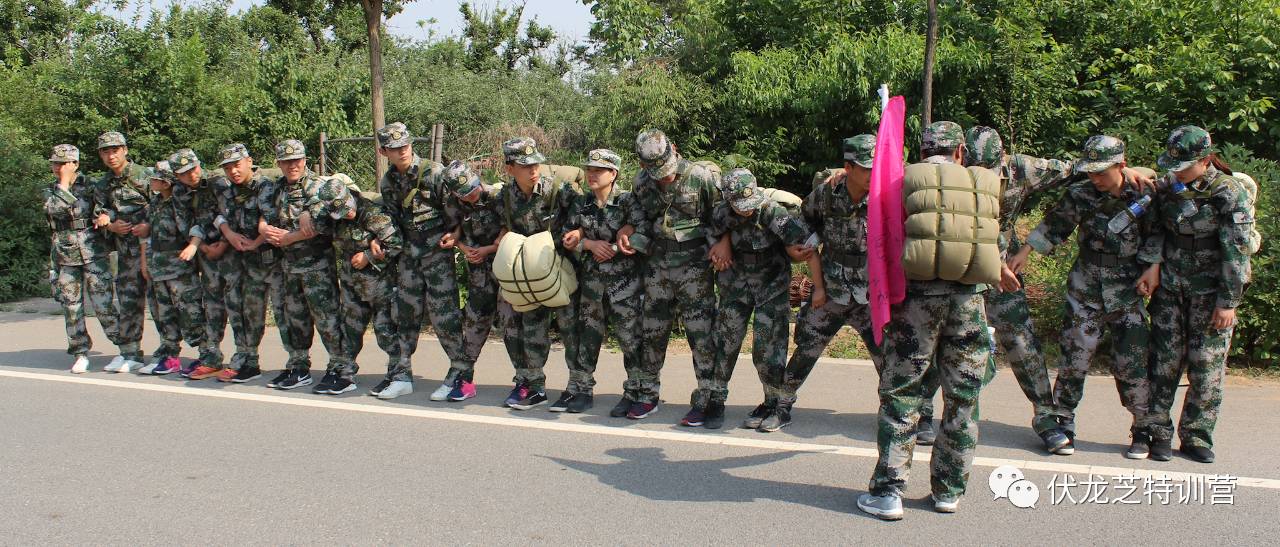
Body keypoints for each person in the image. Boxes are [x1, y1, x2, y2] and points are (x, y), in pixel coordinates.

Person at [858, 121, 994, 520]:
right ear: (960, 152)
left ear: (921, 152)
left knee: (903, 395)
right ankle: (948, 491)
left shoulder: (901, 182)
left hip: (917, 304)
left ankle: (888, 493)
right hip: (969, 302)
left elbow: (883, 234)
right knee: (963, 399)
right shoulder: (981, 183)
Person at [1019, 135, 1161, 459]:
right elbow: (1055, 226)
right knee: (1074, 358)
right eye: (1090, 171)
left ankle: (1142, 428)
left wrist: (1152, 267)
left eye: (1101, 171)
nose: (1095, 178)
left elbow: (1159, 233)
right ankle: (1063, 423)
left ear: (1121, 165)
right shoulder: (1081, 193)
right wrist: (1026, 251)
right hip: (1085, 286)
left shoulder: (1145, 193)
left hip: (1127, 288)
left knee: (1132, 362)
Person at [1147, 125, 1253, 464]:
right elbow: (1155, 229)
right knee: (1164, 363)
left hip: (1210, 293)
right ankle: (1157, 434)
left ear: (1206, 160)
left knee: (1206, 368)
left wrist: (1228, 302)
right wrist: (1152, 264)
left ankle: (1196, 436)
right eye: (1173, 164)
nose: (1176, 171)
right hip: (1171, 287)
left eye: (1184, 165)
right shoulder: (1168, 188)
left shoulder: (1227, 192)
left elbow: (1237, 250)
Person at [622, 129, 729, 424]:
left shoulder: (700, 176)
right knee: (652, 331)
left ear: (675, 149)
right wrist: (629, 229)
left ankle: (707, 398)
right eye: (655, 172)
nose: (663, 177)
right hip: (657, 265)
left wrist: (724, 241)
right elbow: (639, 215)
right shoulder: (642, 183)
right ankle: (647, 394)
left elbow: (723, 214)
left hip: (695, 267)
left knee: (701, 334)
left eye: (666, 170)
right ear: (643, 165)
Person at [780, 135, 884, 429]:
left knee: (889, 357)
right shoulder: (827, 193)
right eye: (867, 168)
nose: (874, 175)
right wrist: (797, 247)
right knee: (807, 346)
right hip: (831, 288)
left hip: (870, 291)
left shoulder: (886, 194)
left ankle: (903, 413)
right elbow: (802, 222)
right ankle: (781, 403)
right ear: (848, 167)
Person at [710, 168, 810, 431]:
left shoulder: (772, 211)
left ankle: (773, 403)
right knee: (726, 342)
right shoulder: (721, 212)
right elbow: (713, 234)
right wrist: (722, 242)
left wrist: (798, 253)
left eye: (749, 204)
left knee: (768, 349)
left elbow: (797, 243)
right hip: (735, 284)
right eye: (739, 206)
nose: (746, 210)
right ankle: (715, 398)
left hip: (771, 286)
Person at [374, 123, 469, 400]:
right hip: (407, 258)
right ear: (383, 151)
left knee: (445, 316)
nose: (401, 151)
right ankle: (402, 375)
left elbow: (461, 210)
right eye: (394, 148)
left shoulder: (434, 173)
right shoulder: (389, 182)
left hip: (437, 256)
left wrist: (457, 234)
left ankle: (458, 372)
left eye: (404, 145)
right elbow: (390, 218)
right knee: (405, 315)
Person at [494, 137, 583, 411]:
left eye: (535, 163)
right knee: (532, 329)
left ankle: (577, 388)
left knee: (571, 330)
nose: (533, 169)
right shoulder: (506, 197)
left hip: (562, 269)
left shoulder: (559, 190)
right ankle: (535, 387)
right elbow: (503, 227)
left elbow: (584, 218)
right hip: (529, 276)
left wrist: (577, 233)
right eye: (524, 165)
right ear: (510, 168)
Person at [257, 139, 350, 392]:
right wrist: (265, 229)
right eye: (286, 162)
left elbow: (320, 224)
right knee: (295, 318)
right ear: (279, 164)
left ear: (305, 160)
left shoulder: (319, 186)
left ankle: (340, 367)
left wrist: (289, 237)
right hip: (289, 265)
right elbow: (265, 216)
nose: (292, 165)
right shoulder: (276, 189)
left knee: (327, 318)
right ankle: (299, 366)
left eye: (297, 160)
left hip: (316, 266)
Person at [566, 149, 651, 416]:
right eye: (589, 169)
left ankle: (634, 392)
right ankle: (582, 389)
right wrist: (588, 243)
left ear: (613, 174)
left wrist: (616, 246)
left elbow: (646, 233)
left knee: (630, 339)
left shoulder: (628, 202)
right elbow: (565, 238)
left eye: (598, 170)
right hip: (592, 284)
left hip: (624, 284)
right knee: (587, 338)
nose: (592, 174)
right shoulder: (582, 204)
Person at [210, 143, 291, 383]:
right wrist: (229, 233)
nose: (233, 171)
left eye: (236, 165)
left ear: (248, 161)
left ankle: (296, 363)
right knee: (248, 314)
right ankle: (249, 360)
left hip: (272, 261)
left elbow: (271, 218)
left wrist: (257, 241)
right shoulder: (227, 190)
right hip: (246, 264)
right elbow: (219, 215)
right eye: (227, 168)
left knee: (283, 313)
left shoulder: (265, 186)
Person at [43, 144, 124, 373]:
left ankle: (125, 349)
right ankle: (80, 352)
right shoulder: (52, 190)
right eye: (55, 163)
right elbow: (53, 211)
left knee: (103, 304)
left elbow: (110, 207)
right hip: (64, 255)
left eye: (64, 164)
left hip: (94, 253)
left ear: (76, 164)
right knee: (71, 307)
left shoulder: (93, 186)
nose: (58, 168)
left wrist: (107, 216)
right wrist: (65, 183)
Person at [434, 161, 503, 402]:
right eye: (465, 193)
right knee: (474, 324)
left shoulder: (497, 196)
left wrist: (489, 248)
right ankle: (464, 380)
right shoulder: (455, 203)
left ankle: (527, 382)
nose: (472, 195)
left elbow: (511, 228)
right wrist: (463, 247)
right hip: (477, 271)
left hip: (505, 269)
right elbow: (455, 231)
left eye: (473, 189)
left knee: (515, 326)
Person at [137, 162, 214, 375]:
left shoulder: (181, 201)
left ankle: (207, 356)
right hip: (158, 264)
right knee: (163, 313)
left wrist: (192, 246)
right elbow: (149, 235)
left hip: (179, 265)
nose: (150, 181)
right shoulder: (155, 202)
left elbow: (197, 224)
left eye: (155, 178)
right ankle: (170, 356)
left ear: (165, 182)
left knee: (190, 312)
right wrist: (145, 262)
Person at [328, 180, 402, 396]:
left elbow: (396, 243)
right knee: (350, 330)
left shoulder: (373, 214)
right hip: (352, 285)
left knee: (385, 332)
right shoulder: (334, 219)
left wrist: (369, 256)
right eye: (340, 211)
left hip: (380, 286)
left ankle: (396, 375)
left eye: (347, 207)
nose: (346, 213)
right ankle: (346, 374)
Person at [169, 148, 232, 379]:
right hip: (206, 253)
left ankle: (246, 358)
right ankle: (212, 357)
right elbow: (184, 222)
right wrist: (204, 248)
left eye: (194, 168)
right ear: (177, 175)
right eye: (184, 173)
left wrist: (224, 244)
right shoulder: (179, 191)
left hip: (232, 250)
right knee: (213, 304)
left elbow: (232, 214)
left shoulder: (218, 183)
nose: (192, 175)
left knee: (238, 306)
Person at [91, 131, 149, 372]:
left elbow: (166, 205)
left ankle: (171, 352)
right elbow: (98, 213)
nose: (111, 155)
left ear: (125, 150)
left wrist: (149, 225)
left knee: (164, 304)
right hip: (126, 253)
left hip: (154, 251)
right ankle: (130, 353)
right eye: (106, 151)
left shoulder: (145, 175)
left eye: (115, 150)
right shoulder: (103, 184)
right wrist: (110, 225)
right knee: (128, 302)